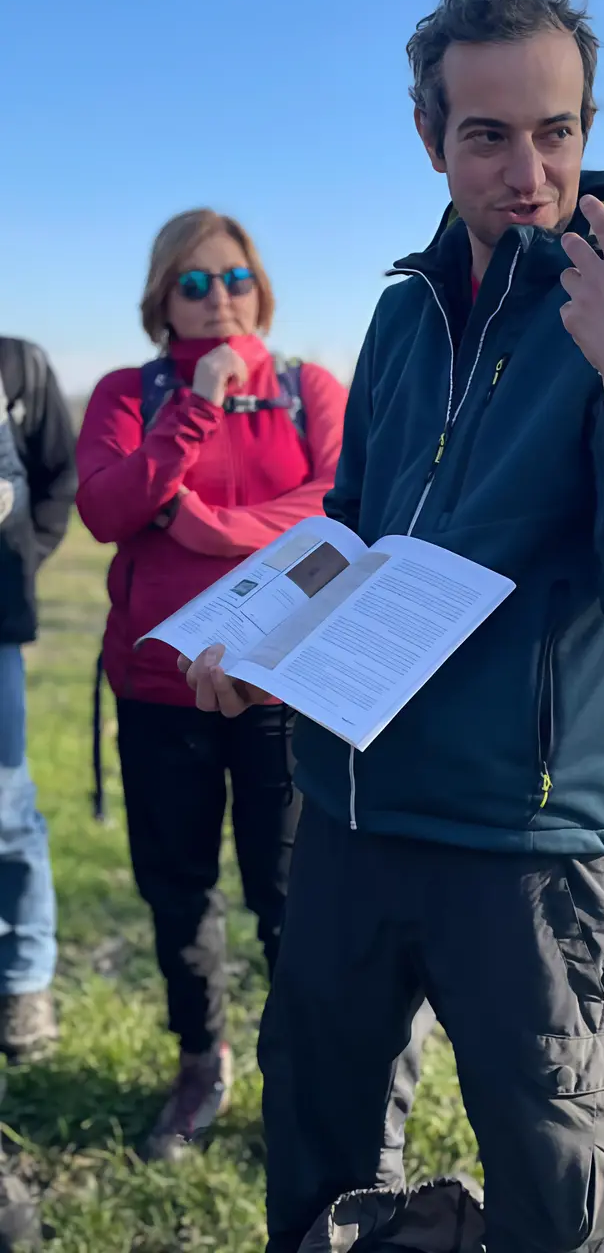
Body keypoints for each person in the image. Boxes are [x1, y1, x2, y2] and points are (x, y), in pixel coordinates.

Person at [185, 0, 604, 1252]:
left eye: (557, 132)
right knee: (319, 1153)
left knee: (568, 1204)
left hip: (523, 842)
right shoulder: (402, 314)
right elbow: (353, 530)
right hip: (348, 804)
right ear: (432, 137)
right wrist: (270, 638)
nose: (528, 173)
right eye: (487, 136)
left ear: (587, 130)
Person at [76, 210, 346, 1161]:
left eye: (232, 278)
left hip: (282, 689)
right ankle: (201, 1063)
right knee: (179, 889)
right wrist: (192, 409)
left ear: (259, 286)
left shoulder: (310, 390)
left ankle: (303, 1070)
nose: (217, 297)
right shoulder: (126, 393)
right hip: (160, 688)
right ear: (163, 298)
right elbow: (108, 509)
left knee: (289, 893)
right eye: (193, 284)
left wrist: (203, 530)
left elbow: (334, 507)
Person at [0, 336, 77, 1064]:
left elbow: (59, 476)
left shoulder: (17, 365)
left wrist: (26, 558)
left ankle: (24, 977)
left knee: (6, 809)